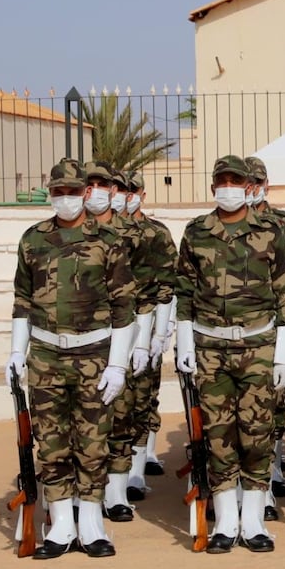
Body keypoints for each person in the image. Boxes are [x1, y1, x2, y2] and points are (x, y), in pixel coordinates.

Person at [5, 158, 135, 559]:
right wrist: (16, 351)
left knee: (93, 443)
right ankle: (61, 525)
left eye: (73, 192)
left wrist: (117, 364)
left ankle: (92, 524)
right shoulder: (32, 240)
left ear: (86, 193)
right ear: (50, 193)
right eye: (58, 192)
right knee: (52, 443)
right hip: (45, 354)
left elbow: (123, 308)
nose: (66, 199)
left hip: (94, 353)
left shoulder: (109, 241)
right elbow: (22, 302)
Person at [174, 155, 285, 553]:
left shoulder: (270, 232)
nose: (228, 188)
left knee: (257, 433)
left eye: (236, 181)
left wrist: (284, 354)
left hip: (258, 344)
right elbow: (184, 292)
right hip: (210, 346)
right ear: (214, 187)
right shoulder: (197, 232)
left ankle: (254, 519)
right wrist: (183, 344)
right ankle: (226, 521)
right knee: (218, 434)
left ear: (249, 188)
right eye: (222, 181)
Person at [81, 162, 155, 523]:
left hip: (126, 334)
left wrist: (145, 342)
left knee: (122, 415)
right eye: (89, 183)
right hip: (82, 339)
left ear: (113, 190)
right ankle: (82, 495)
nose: (95, 190)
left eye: (102, 184)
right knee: (82, 423)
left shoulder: (135, 233)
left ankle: (115, 493)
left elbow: (151, 292)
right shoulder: (72, 231)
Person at [246, 155, 285, 519]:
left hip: (275, 323)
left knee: (274, 402)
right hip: (240, 328)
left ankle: (271, 467)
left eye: (256, 182)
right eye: (245, 182)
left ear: (267, 185)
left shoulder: (282, 222)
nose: (250, 189)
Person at [119, 172, 178, 498]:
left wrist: (162, 330)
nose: (126, 196)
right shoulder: (103, 232)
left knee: (144, 396)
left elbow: (169, 282)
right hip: (112, 327)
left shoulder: (156, 233)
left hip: (147, 323)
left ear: (142, 193)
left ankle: (137, 469)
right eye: (121, 190)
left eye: (131, 191)